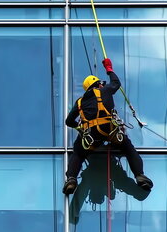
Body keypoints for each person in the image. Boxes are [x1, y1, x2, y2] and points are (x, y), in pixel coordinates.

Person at [63, 58, 153, 195]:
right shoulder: (104, 90)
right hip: (109, 130)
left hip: (90, 135)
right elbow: (116, 83)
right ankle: (140, 176)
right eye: (101, 84)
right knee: (128, 148)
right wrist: (109, 70)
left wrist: (80, 128)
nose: (102, 85)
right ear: (98, 84)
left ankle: (71, 179)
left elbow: (69, 121)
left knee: (78, 153)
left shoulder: (80, 102)